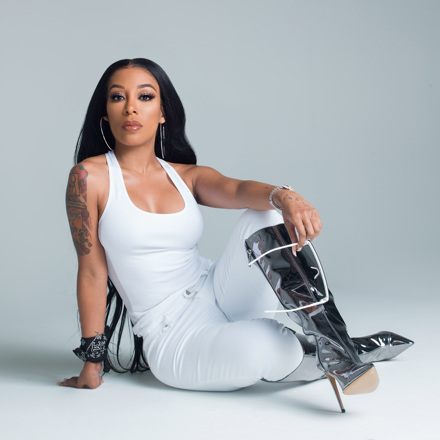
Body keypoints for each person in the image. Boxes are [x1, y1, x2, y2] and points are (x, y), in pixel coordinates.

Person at [58, 58, 413, 412]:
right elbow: (92, 273)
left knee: (267, 211)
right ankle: (340, 350)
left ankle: (336, 346)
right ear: (105, 113)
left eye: (145, 96)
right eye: (118, 97)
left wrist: (286, 197)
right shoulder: (89, 178)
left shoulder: (185, 175)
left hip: (219, 291)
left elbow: (239, 189)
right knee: (267, 346)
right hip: (174, 335)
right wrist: (93, 362)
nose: (131, 107)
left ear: (163, 113)